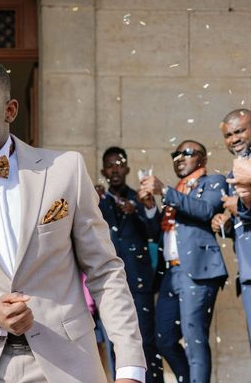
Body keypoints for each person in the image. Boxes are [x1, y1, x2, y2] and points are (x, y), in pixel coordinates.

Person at [0, 55, 145, 383]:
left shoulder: (65, 170)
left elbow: (105, 271)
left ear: (10, 110)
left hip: (67, 365)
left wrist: (130, 367)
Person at [140, 140, 227, 383]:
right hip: (171, 273)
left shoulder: (213, 182)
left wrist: (166, 192)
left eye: (186, 153)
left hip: (197, 271)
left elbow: (206, 210)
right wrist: (150, 207)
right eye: (175, 154)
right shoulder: (178, 191)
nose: (179, 157)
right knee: (164, 338)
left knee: (194, 339)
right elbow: (161, 234)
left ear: (203, 158)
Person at [99, 147, 162, 383]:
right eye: (110, 165)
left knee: (146, 340)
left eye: (119, 164)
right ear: (103, 170)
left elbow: (155, 233)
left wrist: (143, 208)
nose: (115, 169)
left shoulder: (139, 198)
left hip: (139, 281)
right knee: (116, 340)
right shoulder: (96, 201)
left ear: (127, 169)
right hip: (108, 283)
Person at [212, 109, 251, 353]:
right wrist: (226, 224)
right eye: (229, 135)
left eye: (240, 131)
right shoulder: (234, 169)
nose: (234, 139)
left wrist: (242, 206)